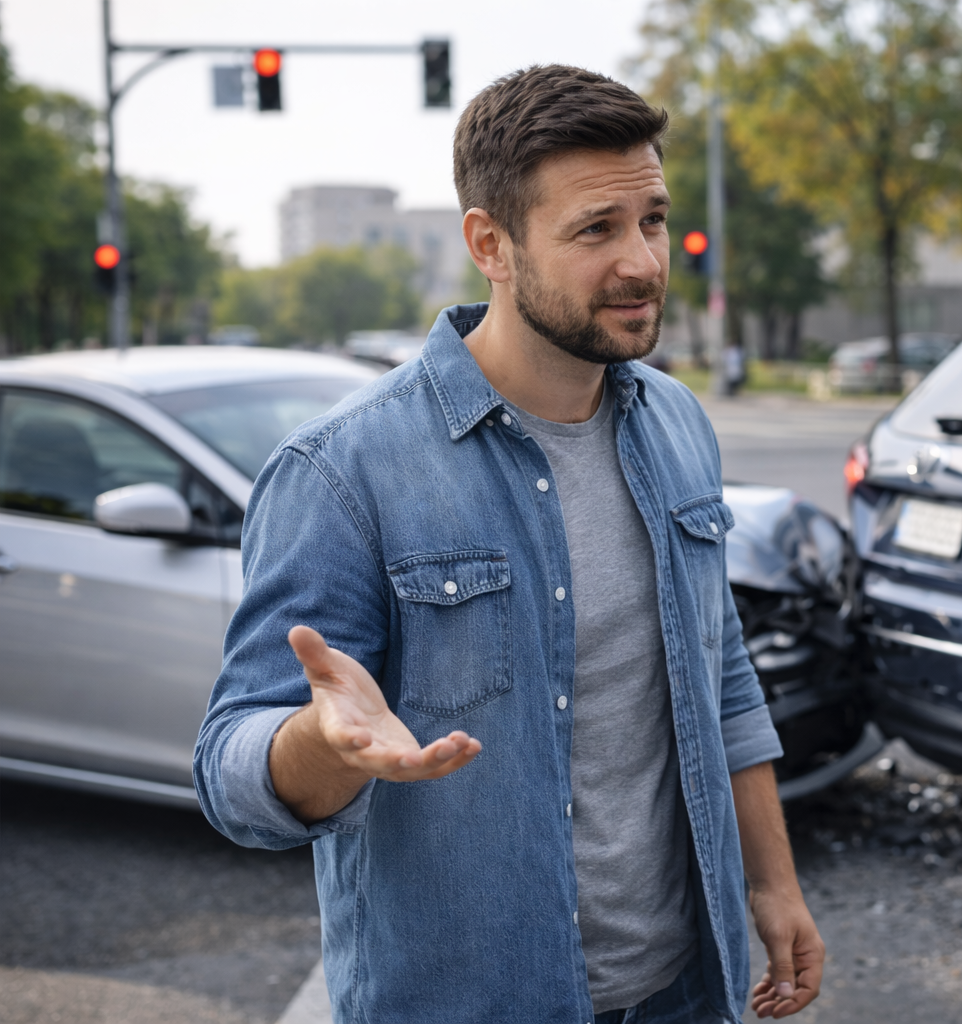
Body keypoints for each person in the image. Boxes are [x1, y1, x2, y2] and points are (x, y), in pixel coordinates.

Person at [195, 65, 824, 1024]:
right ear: (491, 244)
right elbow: (231, 771)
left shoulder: (678, 422)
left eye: (653, 220)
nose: (644, 262)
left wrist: (772, 883)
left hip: (684, 989)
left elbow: (720, 673)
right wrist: (325, 743)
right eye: (596, 230)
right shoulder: (343, 469)